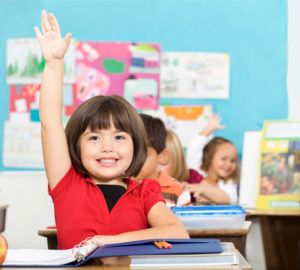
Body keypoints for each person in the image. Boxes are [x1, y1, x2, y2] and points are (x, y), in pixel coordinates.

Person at [34, 10, 188, 250]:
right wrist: (54, 64)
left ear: (135, 145)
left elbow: (178, 232)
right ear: (76, 146)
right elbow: (50, 123)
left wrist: (106, 242)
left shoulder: (145, 192)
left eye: (119, 137)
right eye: (94, 137)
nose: (108, 147)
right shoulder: (67, 183)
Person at [134, 114, 191, 207]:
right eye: (129, 153)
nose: (133, 161)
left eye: (142, 154)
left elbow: (184, 221)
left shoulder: (179, 192)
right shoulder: (118, 186)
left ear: (162, 156)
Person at [186, 114, 239, 204]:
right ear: (209, 158)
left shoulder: (228, 183)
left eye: (233, 161)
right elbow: (195, 146)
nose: (229, 164)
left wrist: (203, 190)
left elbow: (231, 199)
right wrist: (209, 129)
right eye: (223, 159)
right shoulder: (196, 171)